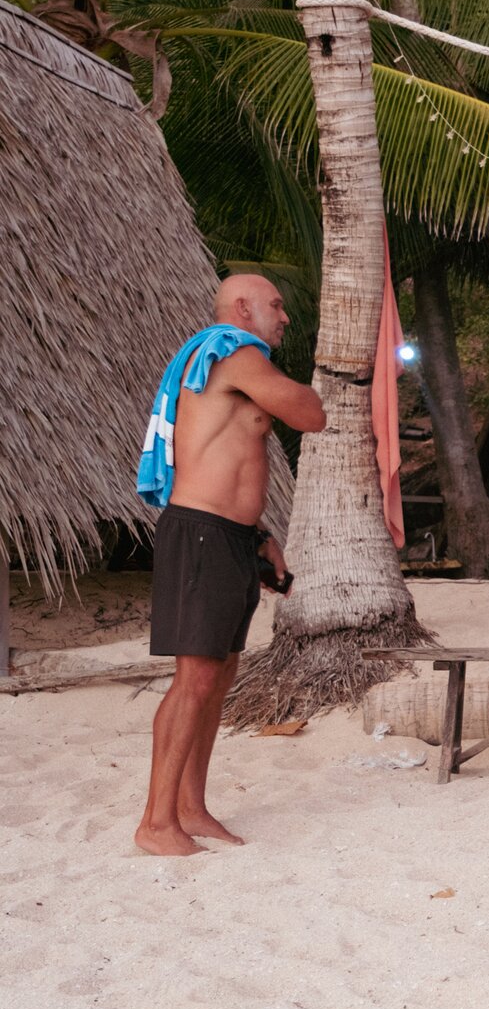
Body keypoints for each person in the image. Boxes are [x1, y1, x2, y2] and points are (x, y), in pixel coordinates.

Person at [136, 274, 326, 856]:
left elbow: (230, 459)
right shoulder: (234, 351)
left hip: (229, 536)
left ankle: (190, 809)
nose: (285, 316)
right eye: (275, 305)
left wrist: (260, 536)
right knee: (193, 681)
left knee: (216, 680)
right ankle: (155, 823)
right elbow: (309, 413)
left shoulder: (229, 361)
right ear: (242, 308)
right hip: (200, 535)